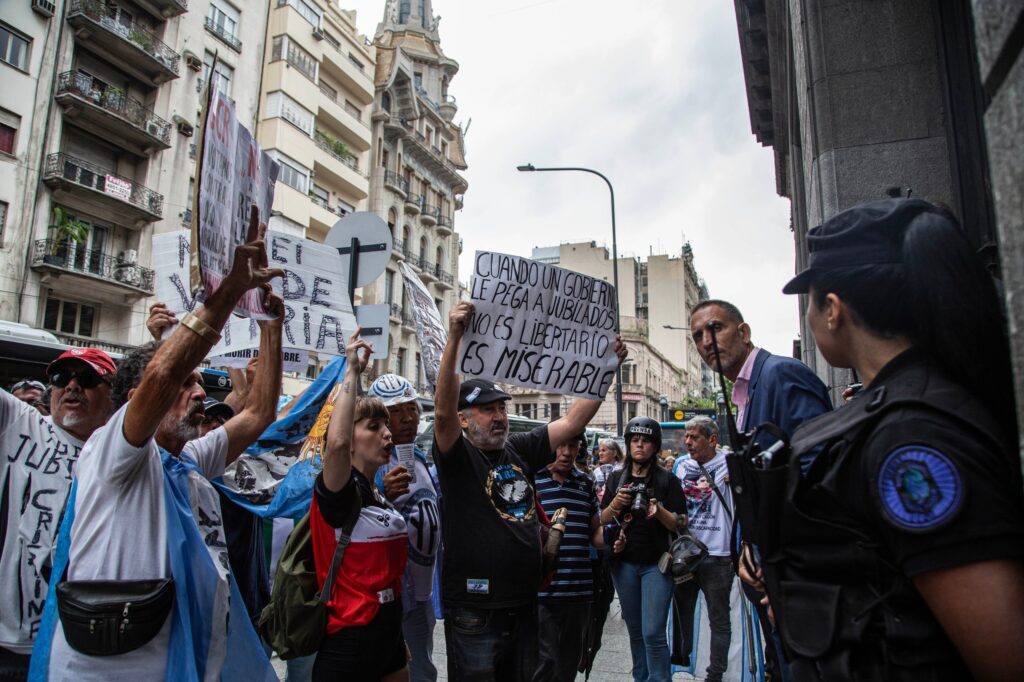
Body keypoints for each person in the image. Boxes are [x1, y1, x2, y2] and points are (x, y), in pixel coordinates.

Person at [761, 198, 1024, 680]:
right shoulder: (910, 404)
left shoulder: (910, 438)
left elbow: (1002, 652)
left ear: (834, 309)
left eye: (811, 300)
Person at [39, 208, 283, 681]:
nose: (199, 394)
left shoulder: (186, 461)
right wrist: (230, 291)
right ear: (138, 402)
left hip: (180, 660)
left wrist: (270, 327)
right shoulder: (117, 454)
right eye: (187, 384)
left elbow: (258, 414)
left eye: (200, 383)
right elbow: (163, 371)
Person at [433, 301, 627, 681]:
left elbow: (572, 422)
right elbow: (441, 412)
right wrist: (455, 336)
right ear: (464, 420)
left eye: (501, 408)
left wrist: (607, 369)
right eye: (488, 410)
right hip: (476, 610)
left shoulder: (518, 450)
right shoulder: (457, 456)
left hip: (524, 604)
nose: (500, 416)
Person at [689, 297, 832, 677]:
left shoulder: (781, 375)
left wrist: (782, 565)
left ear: (744, 332)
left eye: (715, 328)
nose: (706, 341)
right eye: (697, 335)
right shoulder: (743, 394)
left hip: (794, 577)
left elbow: (820, 471)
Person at [0, 350, 116, 678]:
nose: (72, 387)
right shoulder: (18, 422)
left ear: (113, 396)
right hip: (7, 644)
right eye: (61, 379)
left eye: (89, 379)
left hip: (76, 649)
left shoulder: (122, 454)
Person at [311, 331, 409, 681]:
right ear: (350, 439)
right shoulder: (337, 490)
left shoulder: (378, 494)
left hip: (389, 636)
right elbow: (335, 445)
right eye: (373, 426)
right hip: (349, 642)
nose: (387, 434)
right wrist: (353, 371)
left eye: (386, 425)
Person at [598, 417, 686, 682]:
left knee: (653, 632)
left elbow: (680, 523)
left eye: (646, 440)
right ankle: (641, 678)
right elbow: (602, 519)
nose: (639, 445)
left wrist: (657, 510)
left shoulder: (668, 480)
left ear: (655, 446)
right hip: (623, 563)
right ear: (628, 443)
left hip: (657, 564)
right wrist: (616, 503)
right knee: (636, 631)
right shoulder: (615, 478)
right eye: (635, 440)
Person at [368, 373, 441, 682]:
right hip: (392, 595)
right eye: (396, 411)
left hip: (422, 593)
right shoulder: (369, 462)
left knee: (422, 668)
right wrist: (381, 493)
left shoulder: (420, 459)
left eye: (411, 408)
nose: (407, 417)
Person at [533, 431, 613, 682]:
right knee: (543, 662)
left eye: (573, 446)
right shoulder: (533, 480)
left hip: (578, 591)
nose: (567, 452)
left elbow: (594, 534)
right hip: (542, 591)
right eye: (561, 445)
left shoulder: (585, 483)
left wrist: (613, 538)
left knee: (568, 663)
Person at [673, 416, 734, 682]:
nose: (688, 442)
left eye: (694, 437)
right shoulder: (680, 466)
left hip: (718, 556)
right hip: (686, 555)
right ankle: (682, 661)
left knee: (719, 619)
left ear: (712, 439)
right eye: (686, 437)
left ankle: (715, 674)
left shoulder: (730, 463)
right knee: (680, 612)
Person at [592, 438, 624, 505]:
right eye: (600, 451)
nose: (600, 453)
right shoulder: (596, 471)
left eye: (603, 450)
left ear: (614, 453)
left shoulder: (622, 469)